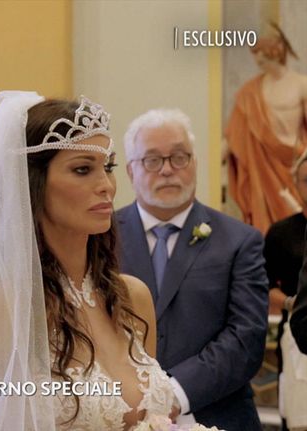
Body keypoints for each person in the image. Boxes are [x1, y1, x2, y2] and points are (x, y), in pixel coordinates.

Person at [0, 92, 176, 430]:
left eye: (108, 167)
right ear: (32, 183)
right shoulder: (0, 306)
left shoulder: (132, 297)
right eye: (82, 169)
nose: (106, 186)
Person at [117, 108, 269, 430]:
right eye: (152, 160)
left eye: (179, 157)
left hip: (218, 415)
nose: (167, 170)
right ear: (131, 171)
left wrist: (173, 394)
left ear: (195, 163)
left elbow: (246, 337)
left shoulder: (240, 240)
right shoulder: (100, 238)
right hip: (122, 415)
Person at [226, 23, 307, 234]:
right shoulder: (250, 91)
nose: (257, 58)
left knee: (295, 228)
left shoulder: (301, 84)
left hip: (294, 164)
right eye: (255, 52)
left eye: (261, 51)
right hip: (262, 168)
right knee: (265, 228)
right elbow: (235, 135)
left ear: (276, 50)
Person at [264, 150, 307, 429]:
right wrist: (294, 303)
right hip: (296, 328)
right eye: (306, 180)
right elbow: (264, 285)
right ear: (295, 183)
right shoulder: (282, 232)